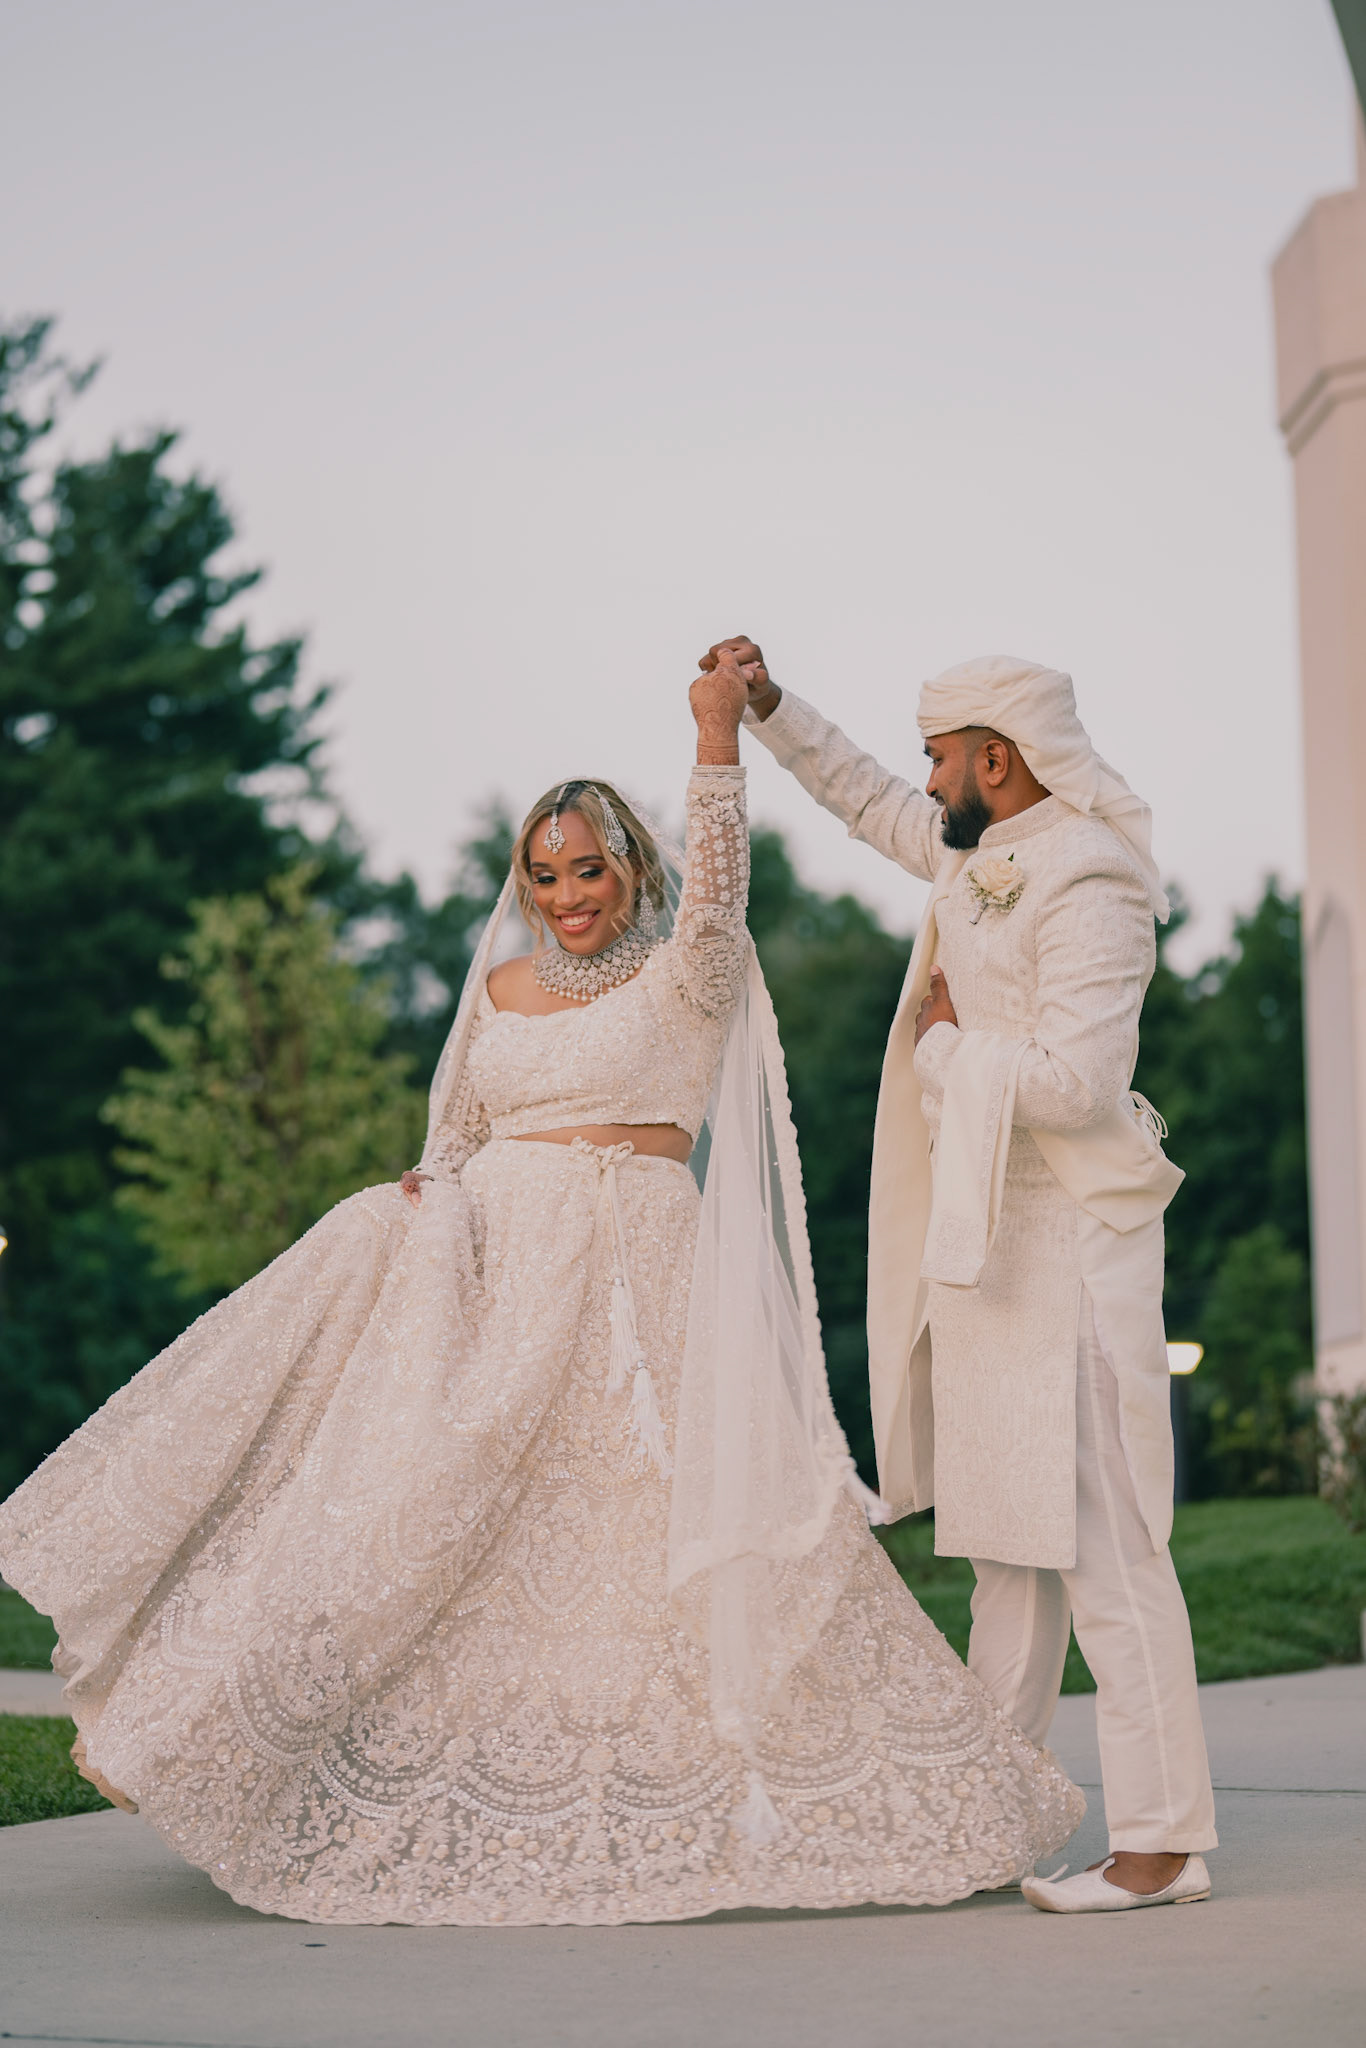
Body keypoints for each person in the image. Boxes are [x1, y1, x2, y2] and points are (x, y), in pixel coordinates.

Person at [0, 651, 1082, 1927]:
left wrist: (716, 736)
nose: (567, 896)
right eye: (545, 875)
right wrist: (424, 1203)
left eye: (589, 869)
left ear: (630, 868)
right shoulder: (501, 988)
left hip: (638, 1271)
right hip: (497, 1276)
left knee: (660, 1527)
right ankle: (191, 1732)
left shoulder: (687, 972)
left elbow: (719, 884)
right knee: (403, 1513)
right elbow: (455, 1135)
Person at [706, 635, 1216, 1914]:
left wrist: (943, 1049)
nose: (926, 777)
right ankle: (992, 1815)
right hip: (986, 1250)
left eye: (940, 755)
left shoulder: (1091, 874)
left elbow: (1078, 1085)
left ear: (998, 757)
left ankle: (1161, 1843)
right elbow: (865, 795)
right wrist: (769, 708)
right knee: (1007, 1550)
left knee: (1108, 1545)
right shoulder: (967, 849)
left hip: (1075, 1243)